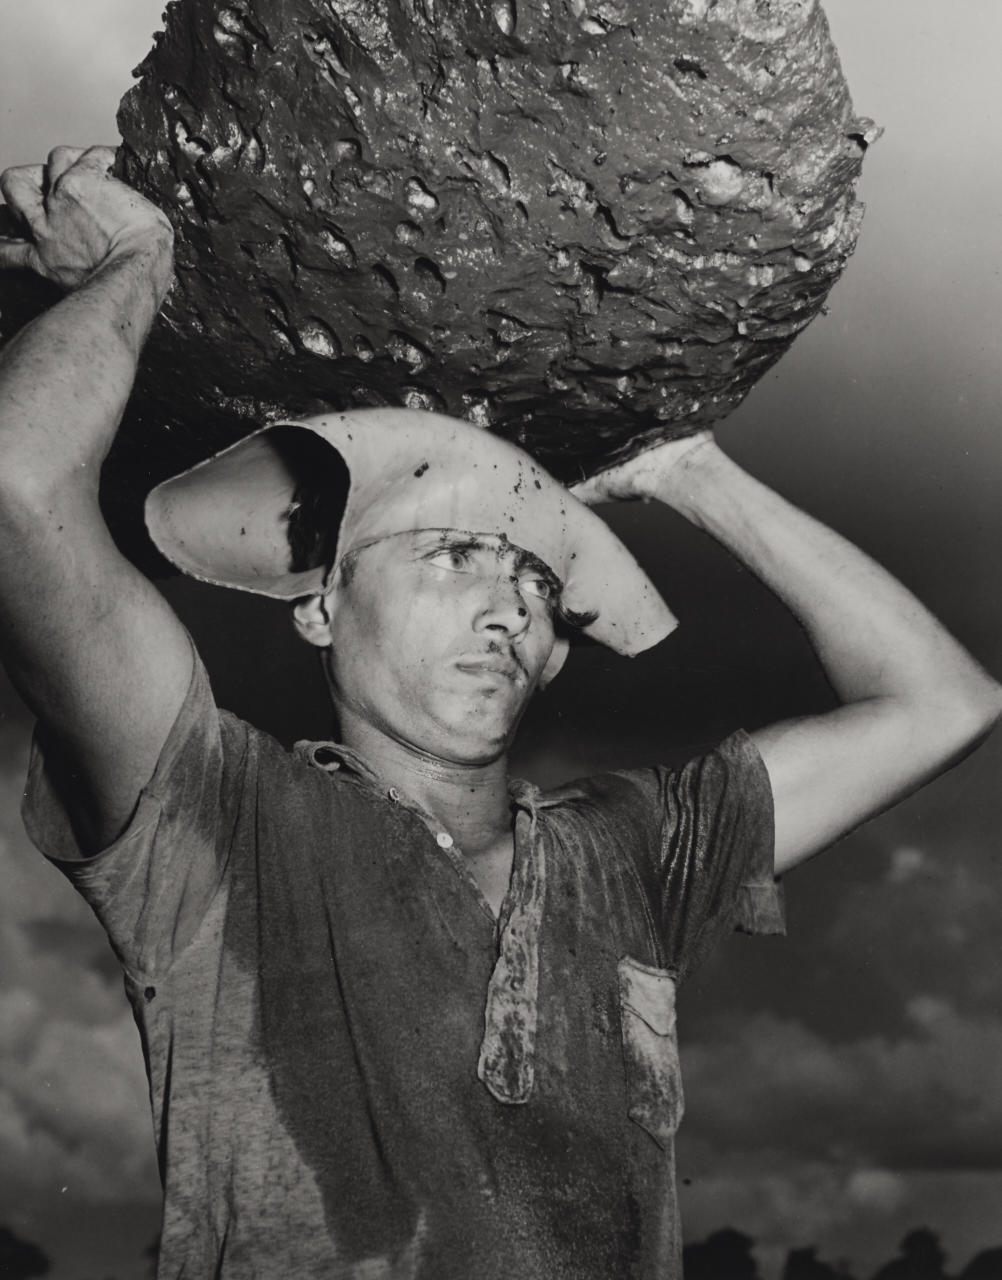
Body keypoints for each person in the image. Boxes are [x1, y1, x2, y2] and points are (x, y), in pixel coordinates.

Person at [0, 147, 998, 1280]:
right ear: (324, 607)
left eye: (536, 579)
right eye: (456, 555)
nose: (509, 603)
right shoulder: (216, 814)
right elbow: (18, 493)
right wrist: (135, 264)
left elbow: (947, 701)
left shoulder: (630, 849)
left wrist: (690, 473)